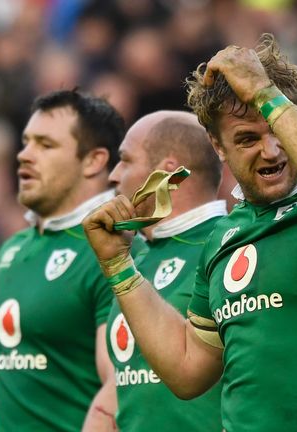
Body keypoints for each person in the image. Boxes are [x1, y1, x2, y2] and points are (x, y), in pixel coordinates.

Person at [83, 34, 297, 431]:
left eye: (276, 128)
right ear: (218, 147)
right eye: (248, 139)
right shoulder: (224, 238)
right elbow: (187, 369)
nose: (271, 150)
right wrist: (119, 265)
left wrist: (265, 95)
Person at [0, 89, 134, 431]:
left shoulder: (114, 248)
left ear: (94, 161)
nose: (24, 155)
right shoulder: (13, 249)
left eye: (46, 145)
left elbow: (120, 384)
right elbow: (5, 361)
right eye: (26, 142)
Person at [83, 110, 225, 431]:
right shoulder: (133, 258)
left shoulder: (230, 245)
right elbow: (121, 387)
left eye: (126, 160)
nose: (113, 175)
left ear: (166, 172)